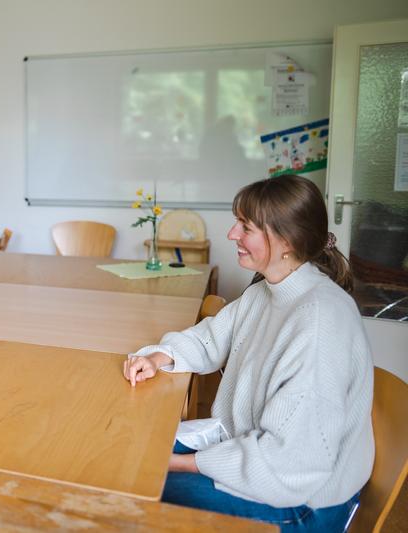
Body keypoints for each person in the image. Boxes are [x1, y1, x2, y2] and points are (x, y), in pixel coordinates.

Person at [123, 174, 373, 532]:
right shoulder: (268, 292)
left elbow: (289, 463)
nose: (231, 235)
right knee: (132, 446)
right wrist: (158, 358)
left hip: (301, 503)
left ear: (285, 240)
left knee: (135, 480)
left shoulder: (320, 322)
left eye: (246, 227)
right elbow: (211, 338)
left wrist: (177, 463)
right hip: (257, 456)